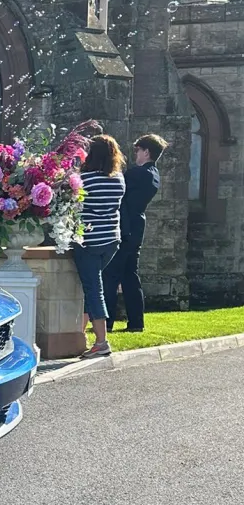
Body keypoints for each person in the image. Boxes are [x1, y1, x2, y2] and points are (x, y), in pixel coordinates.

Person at [103, 134, 166, 333]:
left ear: (146, 152)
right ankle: (136, 323)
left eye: (138, 150)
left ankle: (107, 323)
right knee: (130, 276)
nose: (136, 154)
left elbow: (116, 182)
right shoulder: (153, 174)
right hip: (136, 227)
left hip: (125, 228)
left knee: (111, 275)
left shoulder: (138, 174)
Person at [73, 134, 127, 359]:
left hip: (89, 241)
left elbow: (74, 205)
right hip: (112, 240)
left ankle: (102, 342)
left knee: (94, 290)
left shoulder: (86, 180)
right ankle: (79, 335)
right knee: (92, 287)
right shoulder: (119, 179)